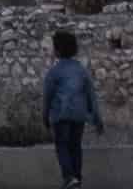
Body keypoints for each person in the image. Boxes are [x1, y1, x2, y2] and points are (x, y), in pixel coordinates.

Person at [41, 29, 103, 189]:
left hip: (60, 115)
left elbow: (47, 97)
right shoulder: (81, 70)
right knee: (75, 146)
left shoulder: (54, 72)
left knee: (62, 145)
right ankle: (77, 180)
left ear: (58, 50)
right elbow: (91, 95)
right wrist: (97, 119)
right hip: (79, 115)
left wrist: (45, 117)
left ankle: (69, 178)